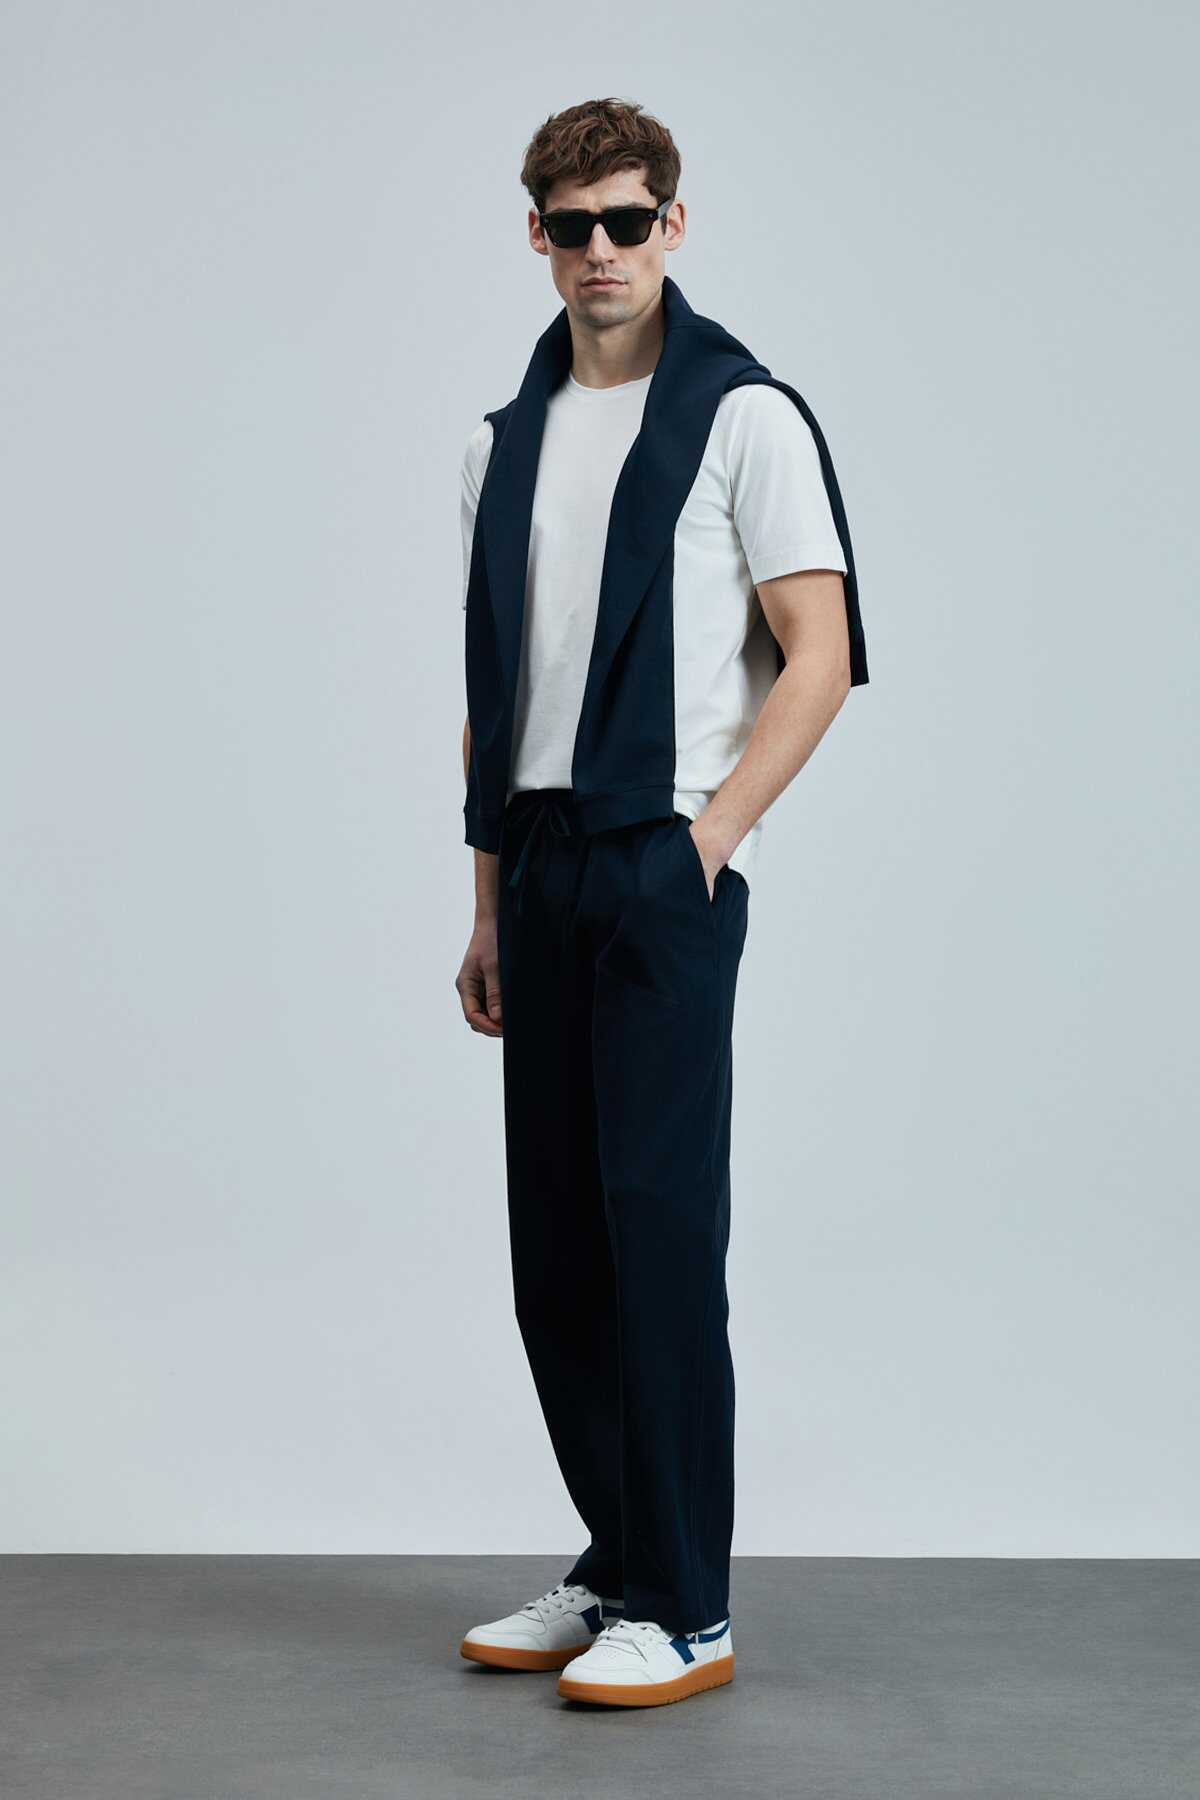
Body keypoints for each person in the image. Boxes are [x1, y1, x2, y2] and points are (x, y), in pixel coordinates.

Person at [453, 96, 868, 1709]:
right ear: (538, 238)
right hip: (540, 860)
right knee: (555, 1247)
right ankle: (621, 1558)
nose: (602, 253)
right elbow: (495, 697)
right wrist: (486, 904)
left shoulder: (743, 415)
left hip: (659, 854)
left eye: (628, 222)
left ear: (672, 224)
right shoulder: (502, 441)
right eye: (572, 228)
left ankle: (689, 1604)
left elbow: (818, 650)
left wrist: (712, 837)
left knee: (661, 1236)